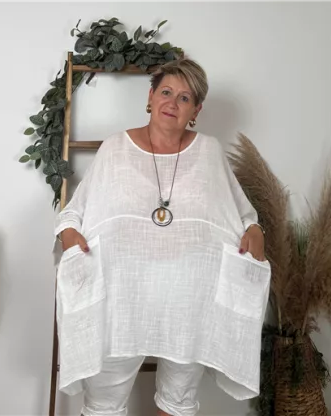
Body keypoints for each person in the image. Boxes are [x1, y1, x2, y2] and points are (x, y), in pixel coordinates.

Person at [53, 58, 271, 416]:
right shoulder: (115, 148)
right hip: (121, 296)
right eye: (166, 92)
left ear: (196, 110)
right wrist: (69, 234)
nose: (172, 103)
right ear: (150, 96)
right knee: (104, 403)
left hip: (189, 299)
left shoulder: (209, 152)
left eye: (185, 98)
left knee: (178, 401)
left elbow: (242, 213)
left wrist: (255, 230)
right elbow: (73, 213)